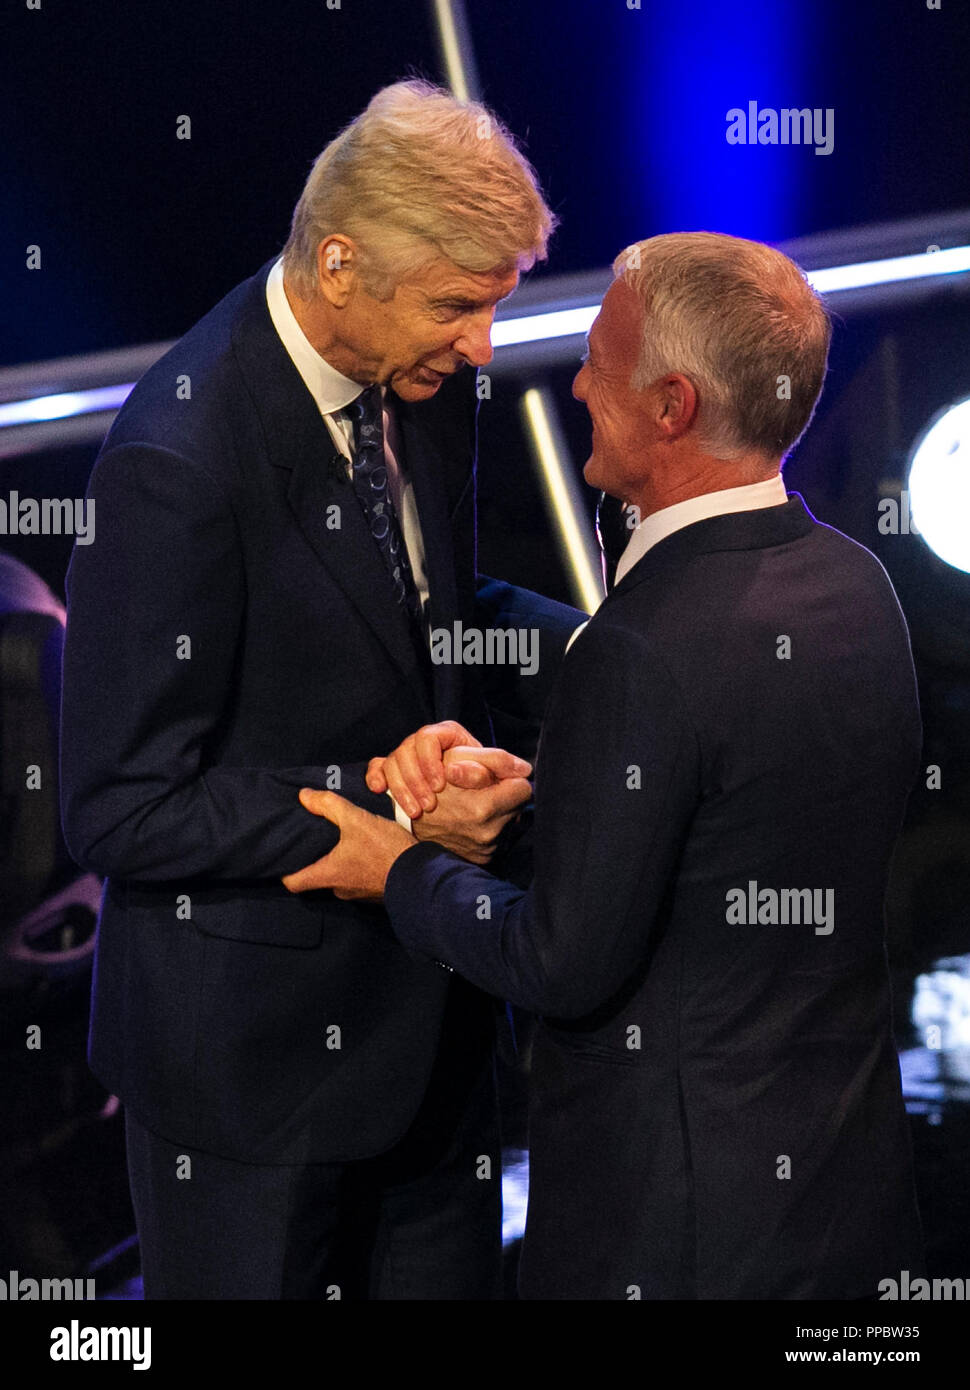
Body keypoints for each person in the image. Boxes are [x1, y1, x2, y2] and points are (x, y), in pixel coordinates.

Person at [286, 231, 928, 1299]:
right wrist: (551, 792)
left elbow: (558, 962)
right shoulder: (855, 585)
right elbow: (723, 821)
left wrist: (391, 865)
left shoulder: (644, 652)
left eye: (597, 356)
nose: (577, 380)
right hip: (839, 1199)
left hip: (670, 1230)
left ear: (671, 405)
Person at [59, 80, 581, 1300]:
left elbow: (431, 611)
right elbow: (121, 806)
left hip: (435, 1034)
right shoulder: (172, 464)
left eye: (495, 306)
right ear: (339, 263)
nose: (483, 347)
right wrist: (389, 806)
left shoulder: (421, 383)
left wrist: (629, 657)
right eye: (460, 305)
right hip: (248, 1077)